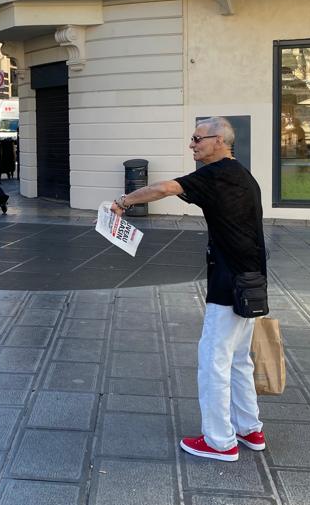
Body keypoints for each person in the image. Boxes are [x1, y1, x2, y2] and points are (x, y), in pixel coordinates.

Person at [110, 117, 266, 462]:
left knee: (214, 360)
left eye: (197, 139)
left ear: (220, 141)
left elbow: (165, 188)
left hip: (229, 281)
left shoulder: (215, 174)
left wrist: (122, 202)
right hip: (252, 279)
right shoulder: (241, 174)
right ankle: (249, 428)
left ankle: (219, 441)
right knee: (239, 359)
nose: (192, 145)